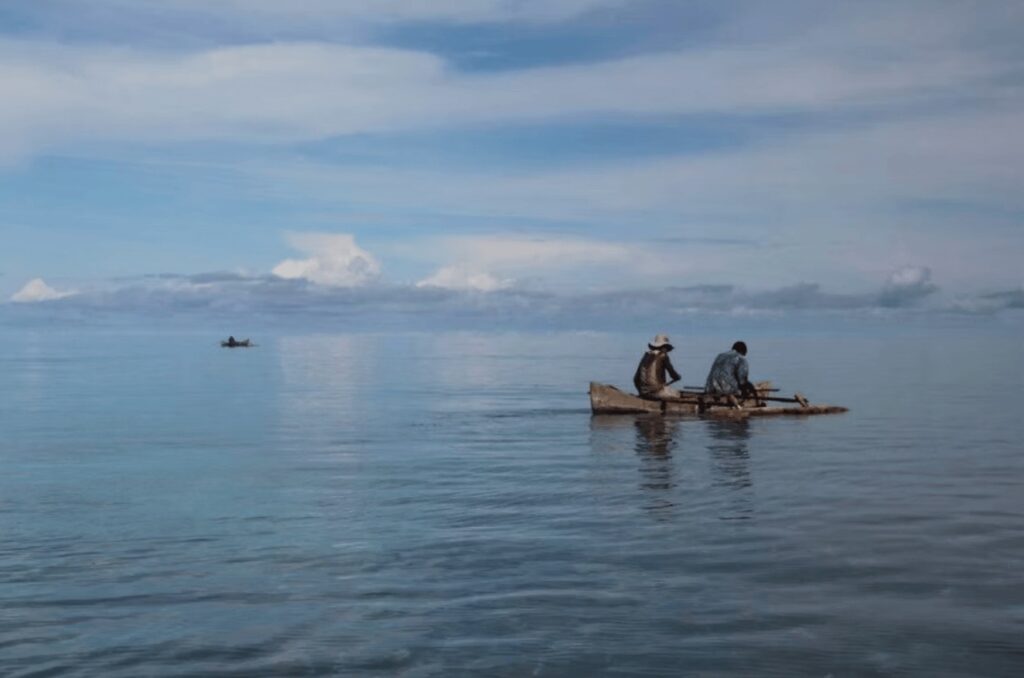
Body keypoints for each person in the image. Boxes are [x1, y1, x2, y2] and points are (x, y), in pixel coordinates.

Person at [633, 334, 682, 400]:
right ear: (663, 347)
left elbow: (635, 379)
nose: (667, 351)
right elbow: (672, 374)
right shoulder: (663, 356)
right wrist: (677, 377)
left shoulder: (645, 356)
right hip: (657, 392)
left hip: (643, 392)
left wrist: (642, 392)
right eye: (666, 348)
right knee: (678, 394)